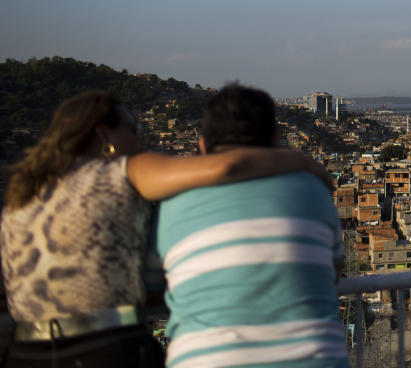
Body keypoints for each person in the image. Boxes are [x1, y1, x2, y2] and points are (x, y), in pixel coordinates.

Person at [1, 90, 330, 367]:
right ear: (104, 135)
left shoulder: (24, 190)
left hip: (28, 350)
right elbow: (228, 164)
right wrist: (302, 163)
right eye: (133, 130)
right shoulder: (121, 170)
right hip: (104, 347)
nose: (140, 141)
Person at [155, 84, 350, 368]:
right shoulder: (312, 189)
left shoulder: (173, 201)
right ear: (275, 141)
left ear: (202, 145)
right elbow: (333, 272)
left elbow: (161, 279)